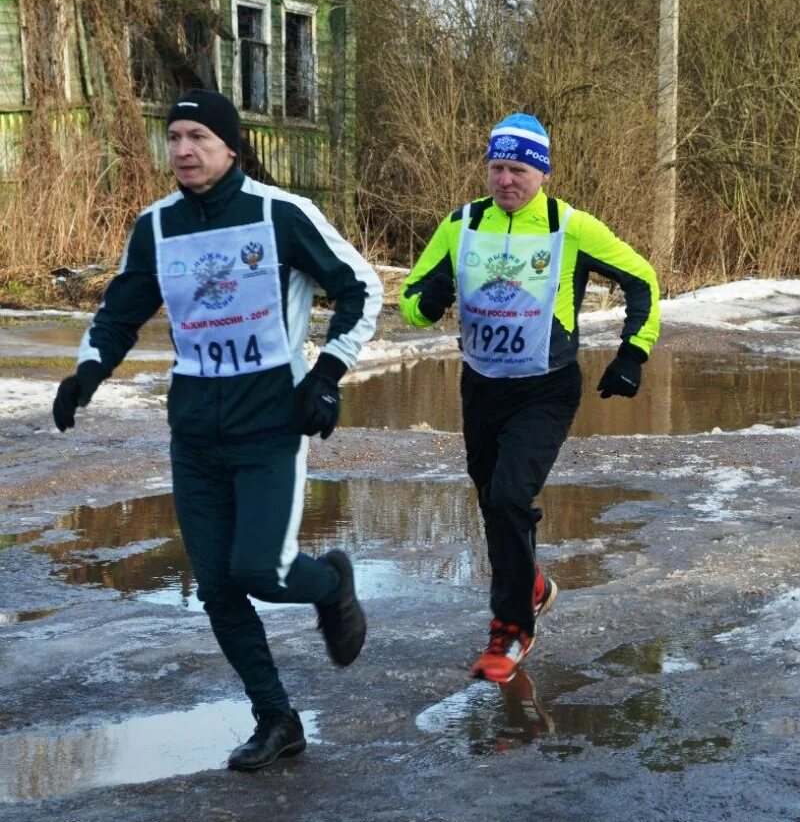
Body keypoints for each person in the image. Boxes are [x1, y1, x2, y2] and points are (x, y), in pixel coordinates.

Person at [51, 89, 382, 770]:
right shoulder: (156, 226)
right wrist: (86, 372)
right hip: (195, 433)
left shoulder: (279, 213)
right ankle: (277, 718)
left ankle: (330, 583)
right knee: (218, 589)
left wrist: (327, 374)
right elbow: (121, 309)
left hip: (268, 424)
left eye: (197, 135)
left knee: (259, 568)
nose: (182, 150)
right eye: (173, 137)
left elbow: (361, 287)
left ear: (230, 146)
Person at [400, 113, 660, 683]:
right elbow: (411, 303)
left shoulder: (570, 226)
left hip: (546, 388)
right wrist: (431, 297)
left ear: (541, 172)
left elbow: (642, 278)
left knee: (511, 495)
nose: (504, 181)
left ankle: (511, 627)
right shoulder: (461, 224)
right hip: (482, 386)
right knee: (493, 500)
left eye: (517, 169)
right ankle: (533, 585)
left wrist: (632, 352)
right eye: (496, 168)